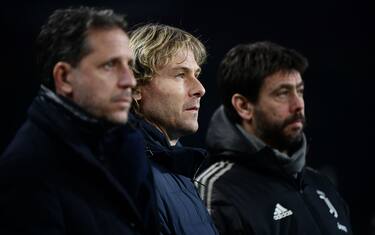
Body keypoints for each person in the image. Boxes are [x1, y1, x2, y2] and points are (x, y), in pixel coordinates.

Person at [0, 7, 158, 235]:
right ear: (64, 77)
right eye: (109, 65)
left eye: (129, 65)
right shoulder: (24, 168)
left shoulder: (129, 143)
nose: (129, 81)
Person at [195, 41, 353, 235]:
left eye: (300, 91)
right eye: (283, 93)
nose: (298, 105)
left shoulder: (320, 184)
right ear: (243, 106)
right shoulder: (215, 191)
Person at [129, 23, 218, 235]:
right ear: (135, 87)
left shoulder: (178, 170)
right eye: (180, 75)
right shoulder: (128, 174)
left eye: (196, 74)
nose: (200, 89)